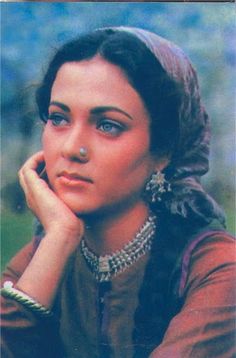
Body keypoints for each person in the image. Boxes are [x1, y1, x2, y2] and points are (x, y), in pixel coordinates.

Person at [1, 27, 235, 358]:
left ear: (163, 151)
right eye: (58, 119)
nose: (72, 148)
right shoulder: (43, 257)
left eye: (108, 125)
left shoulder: (217, 268)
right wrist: (59, 239)